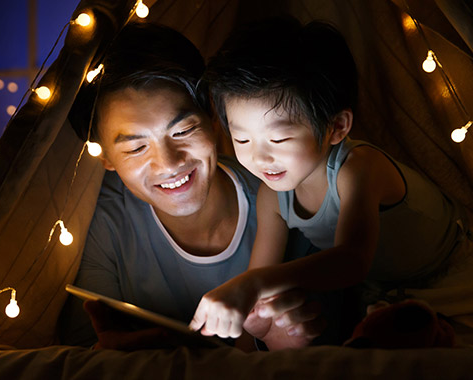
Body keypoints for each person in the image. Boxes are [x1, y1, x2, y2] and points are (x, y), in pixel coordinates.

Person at [189, 17, 473, 340]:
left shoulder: (358, 168)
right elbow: (259, 276)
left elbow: (352, 261)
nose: (259, 158)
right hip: (385, 290)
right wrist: (244, 305)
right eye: (242, 141)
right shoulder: (272, 197)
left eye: (279, 140)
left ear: (337, 126)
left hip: (446, 271)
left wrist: (252, 285)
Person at [58, 21, 328, 351]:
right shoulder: (102, 224)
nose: (169, 163)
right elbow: (83, 348)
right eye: (135, 147)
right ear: (106, 158)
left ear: (214, 118)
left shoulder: (288, 197)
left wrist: (279, 344)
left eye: (183, 131)